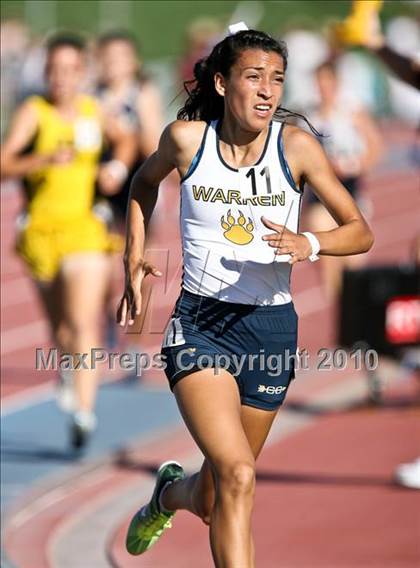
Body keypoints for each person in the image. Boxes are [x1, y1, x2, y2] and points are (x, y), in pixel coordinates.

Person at [117, 27, 374, 566]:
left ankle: (168, 494)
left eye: (277, 80)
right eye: (253, 77)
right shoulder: (187, 142)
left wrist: (309, 242)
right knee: (238, 473)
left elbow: (360, 230)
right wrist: (133, 260)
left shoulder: (296, 148)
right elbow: (142, 185)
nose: (267, 91)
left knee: (217, 496)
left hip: (271, 330)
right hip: (201, 326)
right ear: (220, 81)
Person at [1, 33, 136, 449]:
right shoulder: (34, 112)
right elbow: (5, 163)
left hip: (84, 230)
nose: (61, 77)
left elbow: (127, 139)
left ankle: (84, 410)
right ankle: (67, 367)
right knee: (60, 326)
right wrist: (43, 158)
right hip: (41, 232)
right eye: (54, 70)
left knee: (83, 322)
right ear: (46, 73)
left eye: (70, 69)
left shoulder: (95, 112)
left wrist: (115, 167)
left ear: (82, 73)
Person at [305, 60, 382, 300]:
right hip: (320, 198)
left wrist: (354, 166)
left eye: (327, 82)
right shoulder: (308, 117)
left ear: (336, 84)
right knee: (327, 258)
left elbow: (375, 147)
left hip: (351, 194)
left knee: (355, 264)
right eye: (319, 83)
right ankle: (336, 315)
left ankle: (353, 319)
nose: (323, 88)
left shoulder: (351, 113)